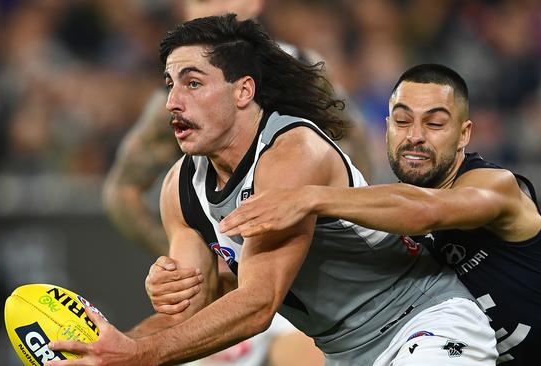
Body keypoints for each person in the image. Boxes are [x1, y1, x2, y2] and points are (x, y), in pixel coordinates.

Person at [47, 15, 497, 366]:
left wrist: (139, 356)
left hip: (423, 322)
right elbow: (192, 311)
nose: (172, 101)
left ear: (244, 91)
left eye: (193, 82)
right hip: (345, 351)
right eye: (170, 84)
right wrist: (113, 346)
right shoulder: (179, 189)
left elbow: (258, 304)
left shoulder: (291, 151)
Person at [218, 63, 541, 365]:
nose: (415, 136)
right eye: (402, 122)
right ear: (386, 128)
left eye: (435, 123)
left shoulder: (495, 186)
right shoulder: (383, 211)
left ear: (464, 133)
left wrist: (309, 197)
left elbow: (426, 210)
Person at [102, 0, 373, 257]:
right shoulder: (172, 102)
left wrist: (351, 218)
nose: (211, 9)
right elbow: (122, 192)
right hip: (244, 257)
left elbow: (352, 143)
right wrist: (194, 261)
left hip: (319, 258)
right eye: (199, 0)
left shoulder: (302, 66)